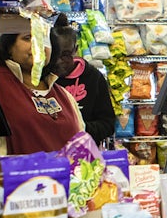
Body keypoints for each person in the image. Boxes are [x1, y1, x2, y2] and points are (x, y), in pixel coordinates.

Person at [0, 25, 85, 154]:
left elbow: (83, 144)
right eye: (28, 38)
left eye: (43, 39)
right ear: (9, 47)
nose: (38, 45)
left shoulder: (65, 96)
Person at [48, 15, 117, 144]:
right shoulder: (43, 78)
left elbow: (108, 125)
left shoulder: (94, 78)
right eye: (54, 54)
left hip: (84, 151)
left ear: (75, 50)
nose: (58, 61)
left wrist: (78, 128)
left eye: (65, 55)